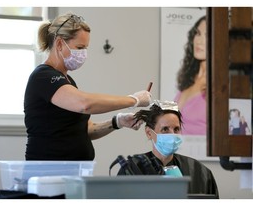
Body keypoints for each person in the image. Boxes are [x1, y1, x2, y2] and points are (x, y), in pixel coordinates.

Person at [24, 12, 151, 161]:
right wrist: (134, 100)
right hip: (48, 170)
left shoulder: (68, 81)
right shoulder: (43, 76)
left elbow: (86, 130)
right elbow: (85, 104)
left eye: (85, 48)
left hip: (73, 171)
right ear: (59, 44)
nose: (83, 53)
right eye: (79, 47)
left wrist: (118, 121)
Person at [116, 101, 219, 198]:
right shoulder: (131, 170)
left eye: (176, 129)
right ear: (149, 133)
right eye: (165, 129)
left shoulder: (200, 173)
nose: (172, 135)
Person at [174, 16, 207, 135]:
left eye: (207, 35)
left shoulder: (222, 84)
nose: (199, 41)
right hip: (177, 152)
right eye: (197, 34)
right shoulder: (188, 78)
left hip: (204, 153)